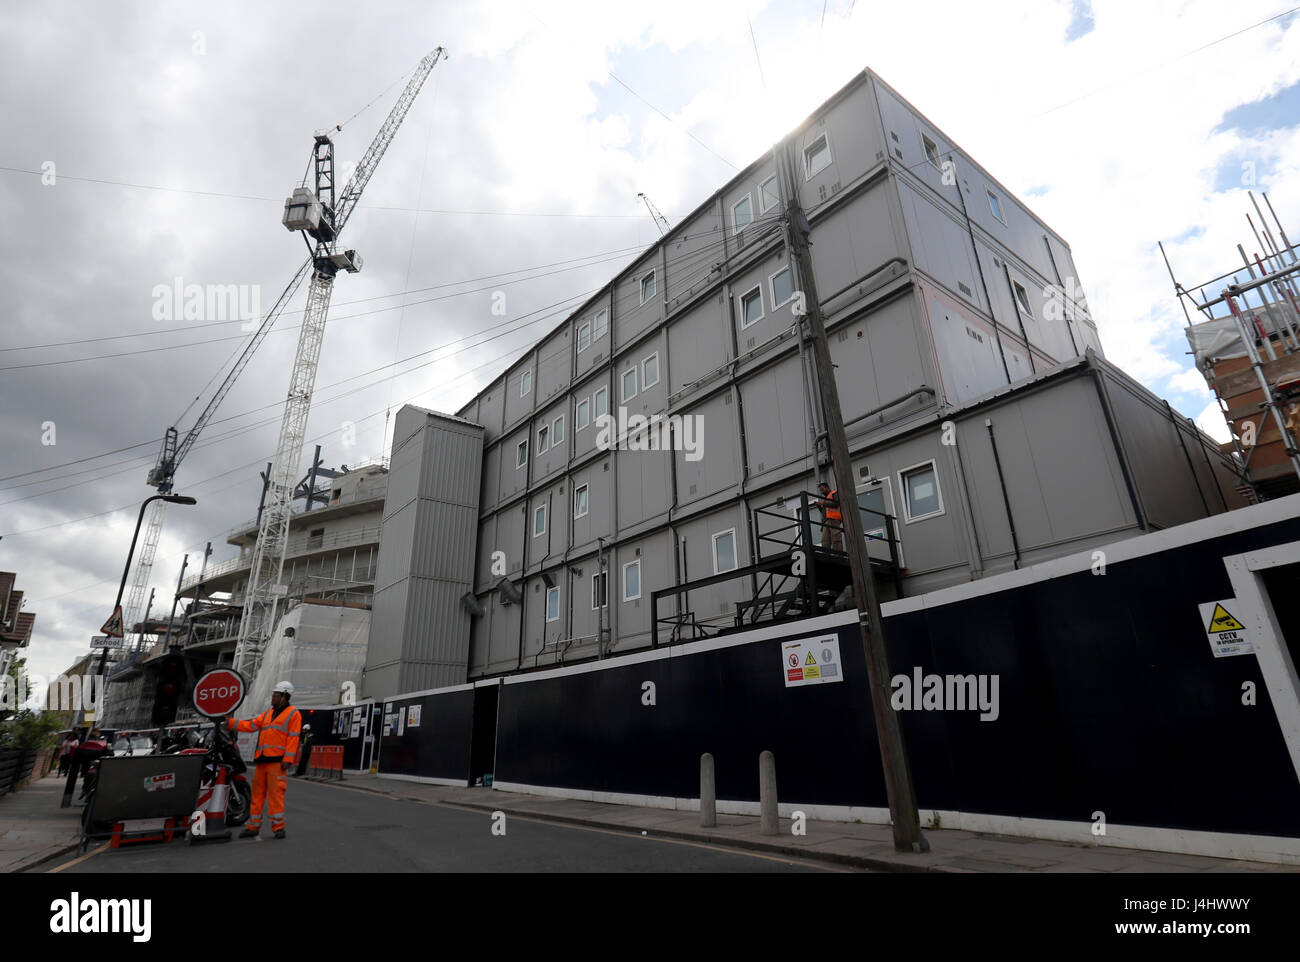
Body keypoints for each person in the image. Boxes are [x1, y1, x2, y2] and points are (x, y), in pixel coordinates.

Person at [226, 681, 302, 840]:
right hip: (262, 761)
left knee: (276, 795)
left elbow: (293, 738)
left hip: (277, 762)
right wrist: (230, 722)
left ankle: (278, 827)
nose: (272, 698)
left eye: (275, 695)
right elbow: (251, 725)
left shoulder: (293, 714)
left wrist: (288, 758)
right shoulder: (268, 714)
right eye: (273, 695)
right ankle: (253, 827)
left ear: (284, 696)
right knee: (257, 795)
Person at [816, 481, 843, 551]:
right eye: (820, 490)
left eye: (822, 489)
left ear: (827, 488)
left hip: (833, 519)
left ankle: (838, 554)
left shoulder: (834, 493)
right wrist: (819, 507)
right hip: (825, 521)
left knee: (835, 538)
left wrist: (823, 503)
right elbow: (824, 512)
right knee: (825, 540)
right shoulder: (826, 499)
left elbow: (836, 504)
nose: (821, 492)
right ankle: (827, 554)